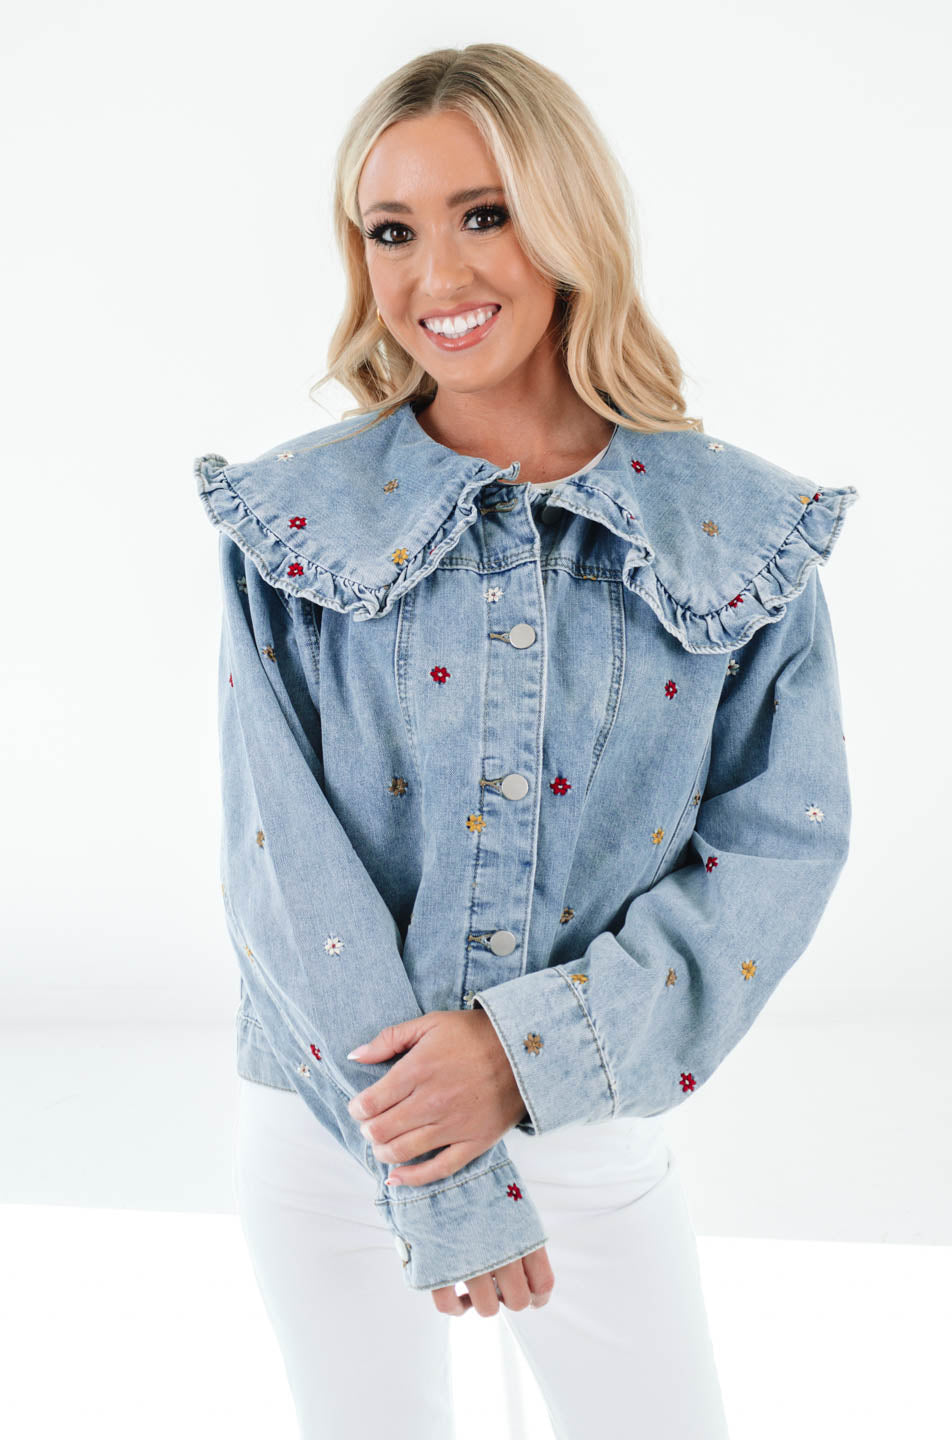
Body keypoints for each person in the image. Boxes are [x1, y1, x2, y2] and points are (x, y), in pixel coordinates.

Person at [195, 42, 859, 1440]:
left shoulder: (737, 536)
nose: (436, 274)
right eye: (392, 231)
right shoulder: (291, 524)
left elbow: (780, 848)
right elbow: (278, 861)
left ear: (569, 220)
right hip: (334, 1137)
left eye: (483, 214)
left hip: (593, 1137)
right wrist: (441, 1175)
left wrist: (523, 1053)